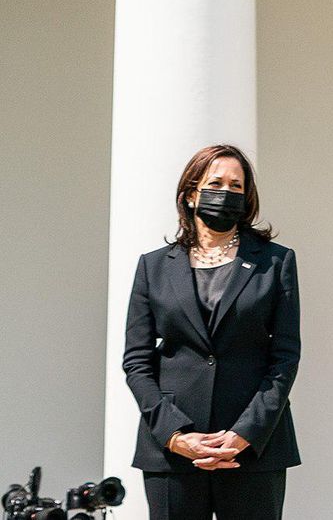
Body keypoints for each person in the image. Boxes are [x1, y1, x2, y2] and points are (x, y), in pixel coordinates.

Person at [123, 145, 300, 520]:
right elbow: (137, 361)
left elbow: (285, 357)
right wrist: (174, 434)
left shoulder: (277, 261)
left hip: (253, 448)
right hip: (172, 451)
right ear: (190, 194)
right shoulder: (153, 267)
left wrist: (245, 433)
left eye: (236, 186)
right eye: (216, 183)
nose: (227, 192)